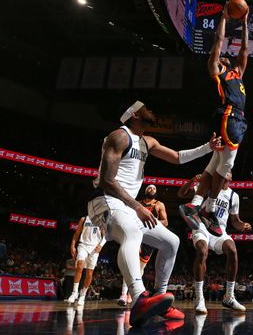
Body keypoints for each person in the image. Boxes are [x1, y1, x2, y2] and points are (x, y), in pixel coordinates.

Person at [87, 100, 222, 326]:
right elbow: (107, 181)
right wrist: (139, 206)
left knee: (172, 241)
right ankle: (139, 298)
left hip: (127, 206)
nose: (151, 110)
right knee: (132, 234)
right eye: (146, 108)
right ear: (135, 115)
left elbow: (178, 157)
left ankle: (159, 300)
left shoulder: (147, 142)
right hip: (104, 200)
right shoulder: (119, 136)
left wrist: (208, 147)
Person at [180, 2, 249, 236]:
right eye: (222, 58)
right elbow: (218, 43)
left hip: (232, 119)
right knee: (227, 166)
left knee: (214, 165)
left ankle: (195, 204)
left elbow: (245, 51)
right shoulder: (216, 70)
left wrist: (245, 23)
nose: (226, 58)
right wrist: (224, 18)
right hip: (230, 117)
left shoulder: (237, 73)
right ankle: (209, 210)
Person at [179, 173, 251, 313]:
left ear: (231, 178)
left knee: (232, 250)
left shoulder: (233, 196)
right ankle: (199, 298)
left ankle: (229, 296)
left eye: (229, 170)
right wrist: (192, 180)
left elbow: (235, 221)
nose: (226, 171)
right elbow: (181, 194)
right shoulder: (206, 187)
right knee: (202, 251)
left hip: (219, 231)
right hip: (201, 226)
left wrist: (243, 225)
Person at [117, 184, 169, 307]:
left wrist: (149, 220)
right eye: (149, 188)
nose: (152, 189)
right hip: (136, 235)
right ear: (145, 190)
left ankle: (131, 293)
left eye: (154, 188)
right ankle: (124, 294)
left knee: (140, 268)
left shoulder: (159, 205)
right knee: (130, 262)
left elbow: (165, 222)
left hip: (149, 238)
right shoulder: (137, 204)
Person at [66, 216, 106, 305]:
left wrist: (101, 245)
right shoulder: (84, 219)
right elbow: (77, 233)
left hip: (94, 248)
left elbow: (105, 236)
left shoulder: (101, 220)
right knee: (80, 266)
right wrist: (72, 245)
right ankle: (74, 293)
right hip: (83, 245)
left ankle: (83, 294)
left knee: (89, 273)